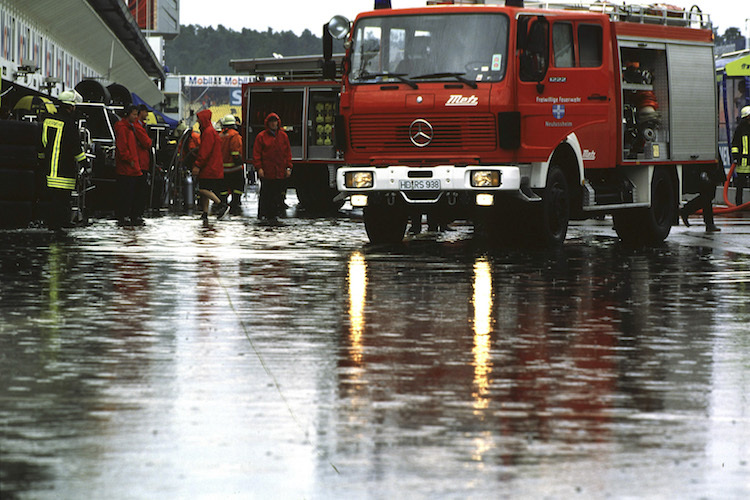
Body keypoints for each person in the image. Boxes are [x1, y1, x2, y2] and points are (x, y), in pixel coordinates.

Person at [40, 89, 87, 231]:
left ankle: (51, 223)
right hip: (64, 170)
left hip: (49, 169)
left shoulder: (48, 120)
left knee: (51, 199)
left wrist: (42, 160)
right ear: (70, 107)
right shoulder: (70, 124)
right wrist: (85, 163)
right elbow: (75, 147)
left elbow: (42, 142)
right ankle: (60, 224)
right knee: (63, 199)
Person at [253, 112, 292, 221]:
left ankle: (273, 214)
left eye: (275, 121)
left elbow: (287, 153)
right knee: (265, 193)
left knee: (277, 194)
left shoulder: (283, 136)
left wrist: (288, 167)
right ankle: (263, 214)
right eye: (271, 122)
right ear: (268, 123)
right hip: (267, 171)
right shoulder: (261, 137)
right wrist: (259, 168)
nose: (273, 124)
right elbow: (257, 154)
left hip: (279, 171)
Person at [193, 109, 229, 222]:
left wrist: (197, 165)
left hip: (209, 167)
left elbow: (205, 152)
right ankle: (205, 213)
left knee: (203, 189)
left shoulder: (208, 132)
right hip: (213, 166)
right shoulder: (211, 131)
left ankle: (221, 205)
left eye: (198, 118)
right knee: (205, 190)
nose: (197, 120)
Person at [114, 105, 144, 226]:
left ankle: (125, 215)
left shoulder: (129, 127)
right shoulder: (123, 128)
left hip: (131, 167)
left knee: (129, 193)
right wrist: (129, 159)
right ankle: (123, 215)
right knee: (126, 193)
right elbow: (122, 148)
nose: (136, 117)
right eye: (134, 114)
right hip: (127, 168)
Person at [680, 163, 724, 232]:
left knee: (708, 195)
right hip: (706, 167)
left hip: (708, 166)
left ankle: (686, 210)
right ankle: (709, 223)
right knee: (707, 195)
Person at [218, 114, 244, 215]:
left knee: (223, 189)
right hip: (235, 168)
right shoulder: (235, 135)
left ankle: (223, 204)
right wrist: (240, 161)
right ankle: (235, 205)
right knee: (238, 187)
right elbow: (235, 153)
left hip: (223, 169)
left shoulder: (220, 135)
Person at [132, 104, 153, 225]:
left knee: (139, 190)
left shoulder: (139, 126)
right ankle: (136, 214)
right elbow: (147, 142)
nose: (147, 115)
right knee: (139, 190)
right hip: (140, 163)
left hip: (141, 162)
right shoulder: (138, 127)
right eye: (146, 112)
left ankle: (136, 214)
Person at [732, 105, 750, 205]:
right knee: (740, 186)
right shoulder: (740, 129)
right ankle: (738, 205)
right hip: (742, 163)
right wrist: (736, 157)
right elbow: (735, 145)